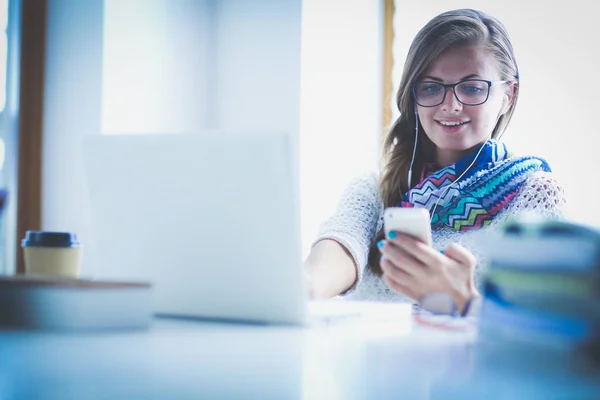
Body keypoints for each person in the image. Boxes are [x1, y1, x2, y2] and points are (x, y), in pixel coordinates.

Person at [304, 8, 566, 315]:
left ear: (508, 95)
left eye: (472, 87)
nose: (451, 106)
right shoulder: (375, 189)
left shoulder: (533, 192)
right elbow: (340, 245)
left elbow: (537, 322)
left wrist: (465, 303)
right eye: (431, 88)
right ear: (413, 98)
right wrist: (304, 289)